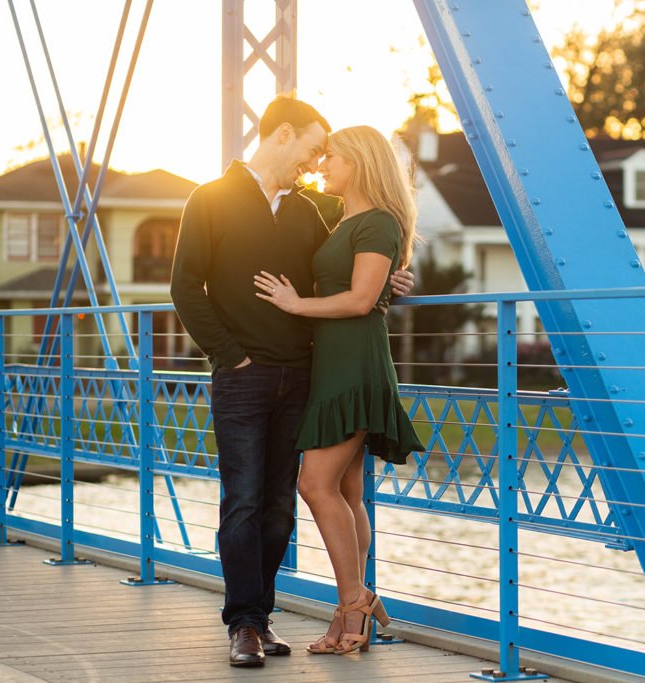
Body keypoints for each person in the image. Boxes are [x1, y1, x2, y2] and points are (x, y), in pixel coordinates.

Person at [170, 97, 413, 668]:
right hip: (243, 375)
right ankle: (244, 624)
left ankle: (268, 614)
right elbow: (186, 288)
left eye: (326, 155)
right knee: (244, 500)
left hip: (307, 377)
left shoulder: (309, 213)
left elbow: (344, 272)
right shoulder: (209, 199)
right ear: (283, 134)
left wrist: (387, 284)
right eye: (312, 148)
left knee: (282, 503)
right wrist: (230, 357)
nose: (316, 161)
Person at [253, 125, 425, 655]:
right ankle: (351, 610)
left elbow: (357, 300)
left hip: (354, 366)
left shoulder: (377, 222)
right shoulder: (344, 220)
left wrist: (294, 304)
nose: (321, 165)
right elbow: (362, 284)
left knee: (314, 484)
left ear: (360, 162)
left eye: (331, 158)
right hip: (333, 365)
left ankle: (354, 602)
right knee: (347, 491)